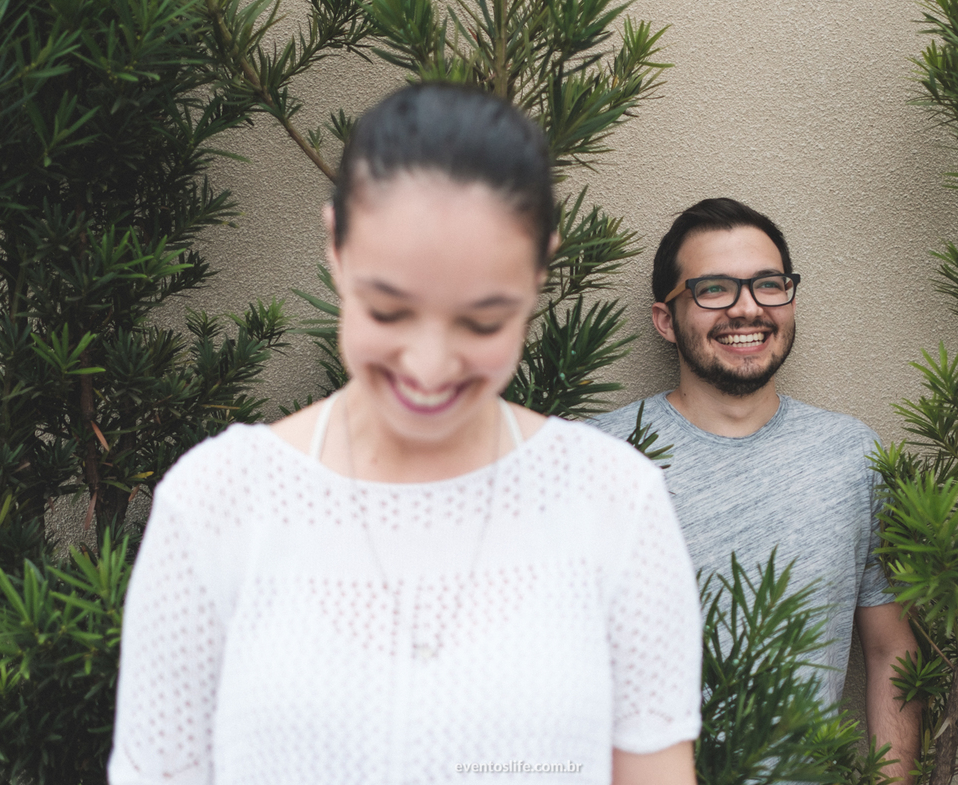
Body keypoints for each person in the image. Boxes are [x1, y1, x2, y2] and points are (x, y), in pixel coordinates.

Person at [108, 84, 701, 785]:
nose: (428, 367)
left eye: (482, 322)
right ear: (335, 246)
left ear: (541, 267)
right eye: (388, 311)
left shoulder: (611, 500)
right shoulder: (218, 503)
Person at [590, 198, 921, 784]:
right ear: (665, 319)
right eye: (714, 289)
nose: (748, 309)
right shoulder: (595, 458)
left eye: (769, 285)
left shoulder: (853, 457)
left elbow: (890, 651)